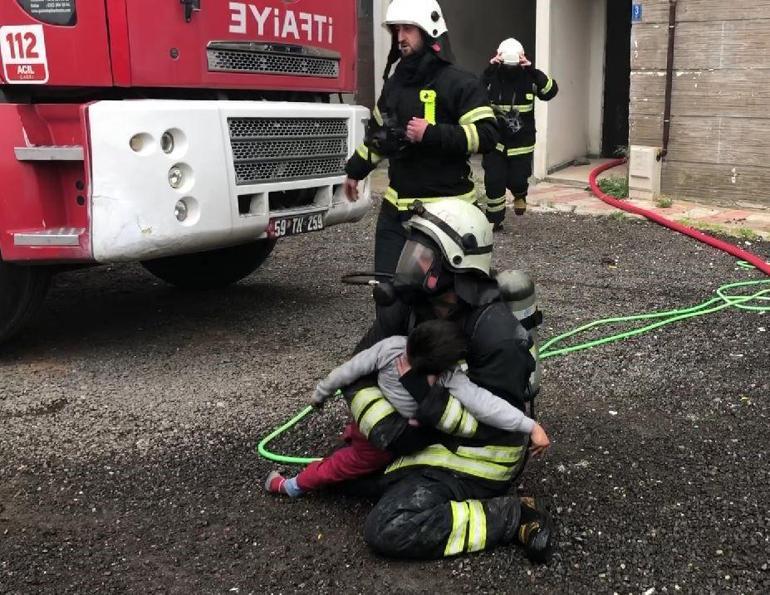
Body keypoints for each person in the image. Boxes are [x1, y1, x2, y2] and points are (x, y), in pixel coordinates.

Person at [337, 199, 554, 562]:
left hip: (478, 457)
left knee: (392, 526)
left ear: (455, 263)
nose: (413, 262)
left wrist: (425, 403)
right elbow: (356, 376)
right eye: (413, 251)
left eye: (424, 254)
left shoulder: (496, 334)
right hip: (420, 436)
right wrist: (386, 431)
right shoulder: (408, 307)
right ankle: (405, 474)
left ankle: (512, 515)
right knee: (345, 477)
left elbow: (495, 428)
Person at [264, 319, 550, 498]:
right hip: (382, 444)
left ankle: (347, 441)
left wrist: (320, 393)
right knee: (340, 467)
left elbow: (347, 371)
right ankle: (293, 486)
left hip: (366, 416)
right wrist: (530, 425)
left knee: (353, 437)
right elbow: (486, 405)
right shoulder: (448, 376)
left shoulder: (391, 347)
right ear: (443, 365)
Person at [343, 0, 498, 277]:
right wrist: (355, 170)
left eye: (408, 29)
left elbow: (487, 136)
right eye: (396, 30)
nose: (400, 37)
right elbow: (379, 135)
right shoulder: (395, 83)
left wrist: (432, 133)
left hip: (448, 214)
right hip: (396, 213)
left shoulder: (461, 82)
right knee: (388, 295)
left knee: (444, 304)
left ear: (430, 32)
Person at [481, 38, 558, 227]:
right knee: (494, 181)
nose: (510, 70)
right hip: (496, 142)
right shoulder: (492, 78)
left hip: (521, 144)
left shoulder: (529, 78)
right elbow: (474, 91)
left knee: (517, 179)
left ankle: (520, 194)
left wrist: (532, 70)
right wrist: (489, 70)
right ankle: (494, 220)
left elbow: (550, 91)